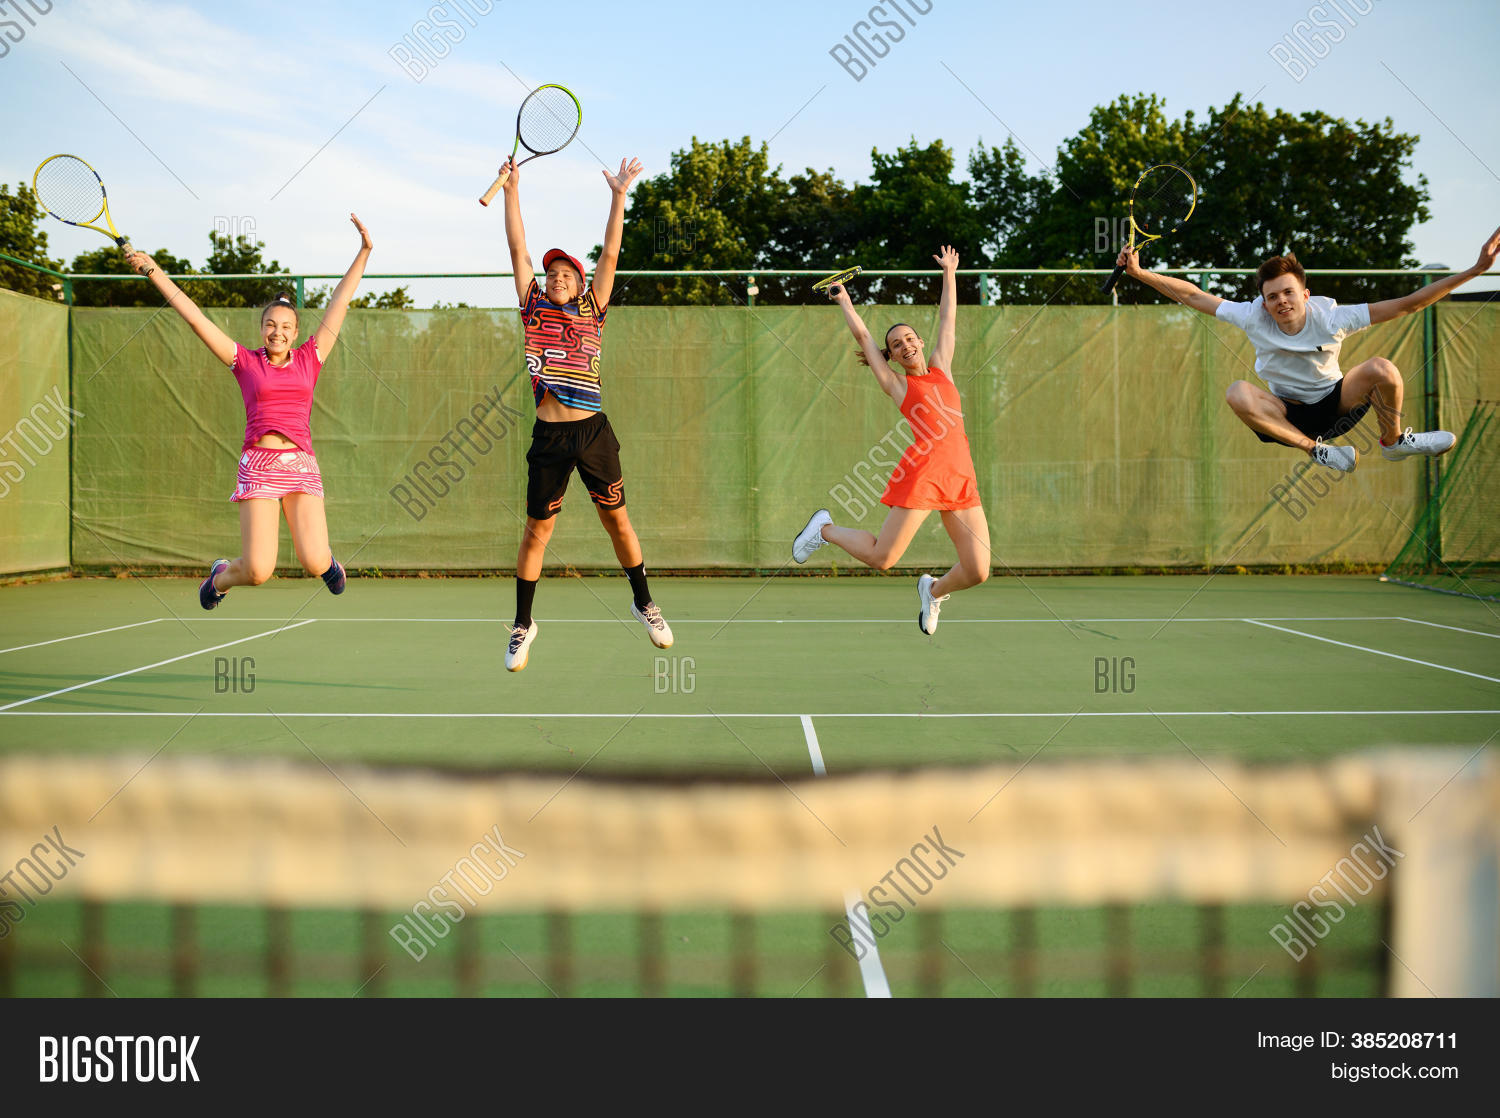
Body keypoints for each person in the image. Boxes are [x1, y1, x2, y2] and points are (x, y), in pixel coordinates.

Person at [126, 214, 372, 608]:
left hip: (300, 464)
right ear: (262, 329)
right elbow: (194, 318)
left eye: (286, 327)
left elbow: (339, 301)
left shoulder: (310, 357)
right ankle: (220, 578)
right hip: (258, 466)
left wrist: (364, 251)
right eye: (270, 325)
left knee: (313, 561)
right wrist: (153, 270)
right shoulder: (244, 361)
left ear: (296, 332)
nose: (278, 332)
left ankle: (328, 564)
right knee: (258, 571)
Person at [1114, 225, 1500, 471]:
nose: (1281, 301)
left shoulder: (1332, 317)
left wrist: (1475, 270)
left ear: (1305, 295)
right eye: (1272, 296)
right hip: (1287, 416)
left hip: (1336, 404)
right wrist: (1140, 273)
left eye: (1288, 292)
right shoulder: (1252, 316)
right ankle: (1316, 451)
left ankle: (1394, 442)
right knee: (1236, 392)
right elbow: (1194, 296)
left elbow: (1407, 304)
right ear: (1264, 303)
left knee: (1382, 369)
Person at [499, 154, 671, 672]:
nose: (556, 277)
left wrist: (619, 196)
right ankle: (523, 624)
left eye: (565, 274)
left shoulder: (593, 309)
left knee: (617, 521)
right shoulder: (532, 306)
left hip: (593, 434)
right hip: (549, 438)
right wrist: (511, 190)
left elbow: (611, 252)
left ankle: (644, 603)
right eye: (551, 272)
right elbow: (517, 247)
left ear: (578, 284)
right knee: (537, 533)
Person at [793, 246, 991, 635]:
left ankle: (933, 591)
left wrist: (949, 272)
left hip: (960, 478)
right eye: (897, 345)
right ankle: (825, 529)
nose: (906, 345)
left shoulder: (942, 369)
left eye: (910, 338)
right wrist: (845, 301)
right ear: (893, 357)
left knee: (977, 570)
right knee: (882, 558)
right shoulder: (898, 385)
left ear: (920, 342)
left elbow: (948, 319)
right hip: (924, 476)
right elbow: (864, 336)